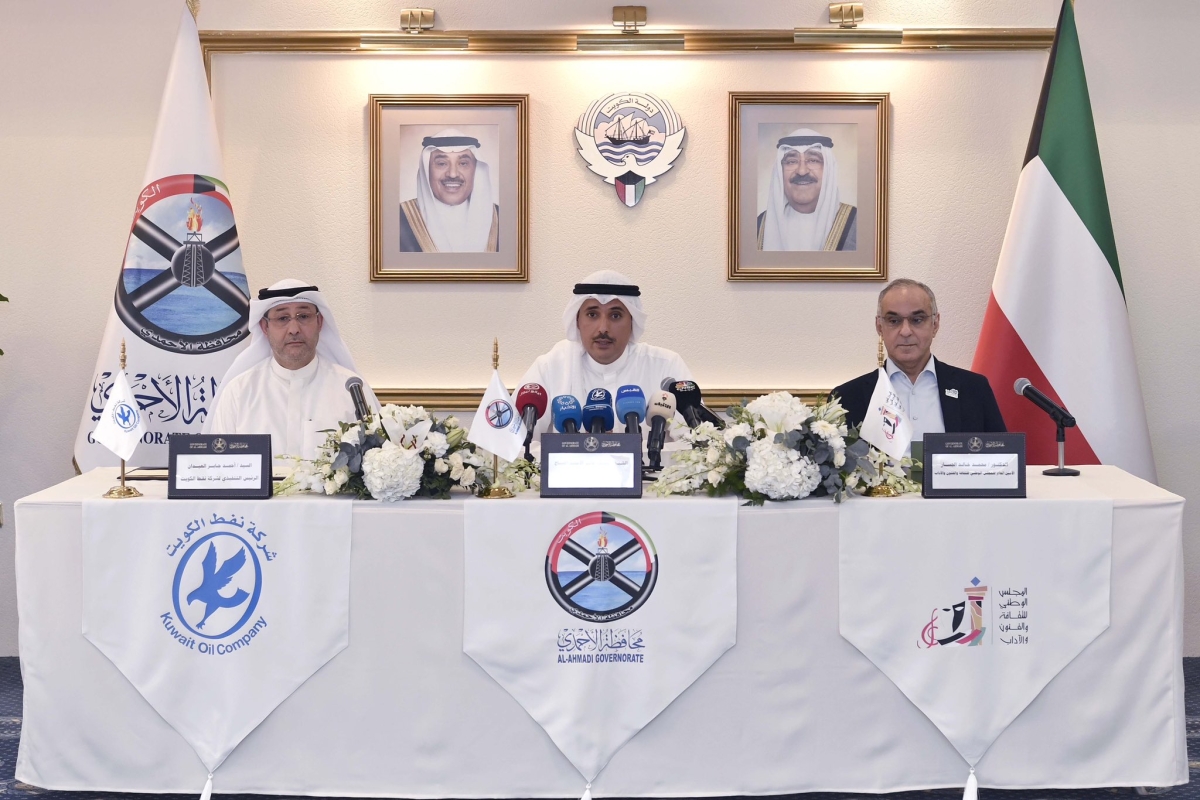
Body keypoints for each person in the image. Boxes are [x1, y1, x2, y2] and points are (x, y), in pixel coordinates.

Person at [205, 279, 379, 459]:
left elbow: (374, 462)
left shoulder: (352, 390)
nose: (294, 329)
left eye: (303, 316)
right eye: (282, 318)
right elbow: (219, 467)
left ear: (319, 322)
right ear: (265, 327)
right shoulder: (238, 393)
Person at [518, 269, 693, 439]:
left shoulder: (665, 366)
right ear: (577, 321)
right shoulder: (551, 366)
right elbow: (515, 442)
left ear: (632, 321)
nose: (603, 328)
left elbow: (694, 442)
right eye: (592, 314)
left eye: (615, 316)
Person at [832, 279, 1006, 442]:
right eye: (894, 321)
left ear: (935, 324)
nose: (905, 331)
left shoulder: (974, 389)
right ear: (879, 326)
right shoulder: (847, 398)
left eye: (917, 320)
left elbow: (1002, 454)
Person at [399, 128, 500, 253]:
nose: (453, 174)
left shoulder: (502, 218)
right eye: (442, 163)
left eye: (463, 163)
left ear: (476, 169)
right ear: (427, 170)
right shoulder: (398, 219)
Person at [757, 128, 857, 252]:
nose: (802, 171)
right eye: (791, 162)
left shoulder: (858, 224)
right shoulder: (759, 226)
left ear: (828, 170)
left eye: (813, 160)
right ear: (780, 171)